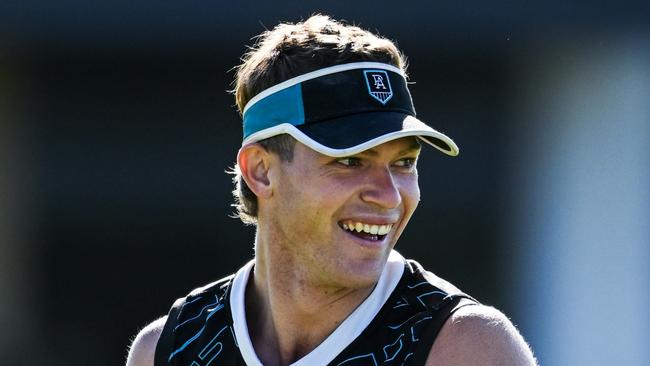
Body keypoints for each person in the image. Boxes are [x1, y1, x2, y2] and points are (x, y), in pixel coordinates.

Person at [126, 14, 537, 366]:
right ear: (261, 171)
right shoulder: (168, 351)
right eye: (350, 160)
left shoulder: (466, 349)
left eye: (403, 163)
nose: (389, 196)